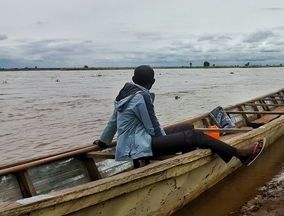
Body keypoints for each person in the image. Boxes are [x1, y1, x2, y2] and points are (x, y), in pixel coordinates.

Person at [94, 65, 264, 166]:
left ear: (133, 78)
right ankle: (240, 155)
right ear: (153, 82)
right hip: (140, 147)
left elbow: (113, 121)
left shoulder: (124, 93)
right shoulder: (142, 96)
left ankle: (185, 161)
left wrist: (103, 141)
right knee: (195, 134)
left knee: (187, 127)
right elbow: (152, 127)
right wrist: (167, 143)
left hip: (129, 145)